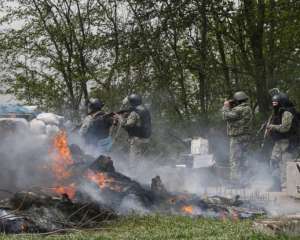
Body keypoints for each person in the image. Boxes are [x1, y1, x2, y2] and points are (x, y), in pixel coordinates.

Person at [267, 93, 299, 191]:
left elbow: (285, 128)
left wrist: (272, 127)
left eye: (276, 102)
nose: (274, 104)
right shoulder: (278, 112)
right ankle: (277, 184)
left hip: (288, 142)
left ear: (281, 102)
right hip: (279, 142)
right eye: (273, 102)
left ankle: (286, 187)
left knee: (286, 164)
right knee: (274, 161)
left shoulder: (287, 112)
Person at [222, 91, 253, 185]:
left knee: (235, 160)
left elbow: (225, 116)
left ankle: (236, 182)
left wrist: (226, 106)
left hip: (237, 137)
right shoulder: (248, 108)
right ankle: (245, 181)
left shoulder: (239, 109)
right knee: (244, 159)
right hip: (246, 136)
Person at [121, 94, 151, 165]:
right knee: (141, 159)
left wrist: (121, 120)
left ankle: (134, 174)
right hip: (145, 138)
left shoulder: (134, 112)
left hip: (136, 139)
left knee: (133, 161)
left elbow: (128, 124)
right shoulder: (144, 110)